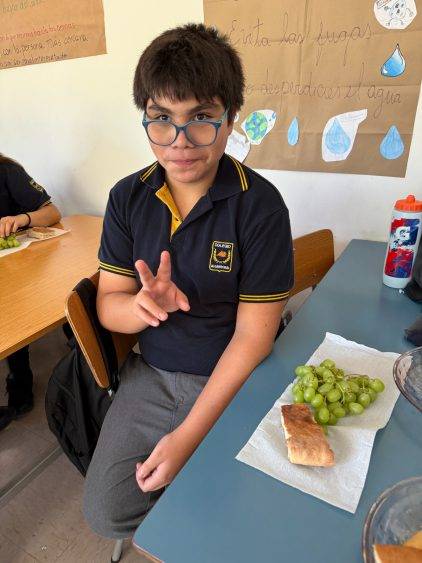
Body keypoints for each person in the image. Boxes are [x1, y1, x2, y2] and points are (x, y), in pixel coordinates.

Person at [83, 23, 294, 539]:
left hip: (234, 375)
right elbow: (109, 303)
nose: (180, 142)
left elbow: (253, 339)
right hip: (152, 374)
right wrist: (138, 308)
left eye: (200, 118)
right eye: (162, 119)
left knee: (253, 515)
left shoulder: (260, 205)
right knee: (107, 512)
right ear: (146, 117)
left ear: (231, 117)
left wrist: (187, 438)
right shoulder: (127, 197)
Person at [0, 153, 61, 431]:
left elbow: (52, 213)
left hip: (16, 271)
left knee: (10, 307)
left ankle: (19, 377)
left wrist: (22, 219)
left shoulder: (7, 171)